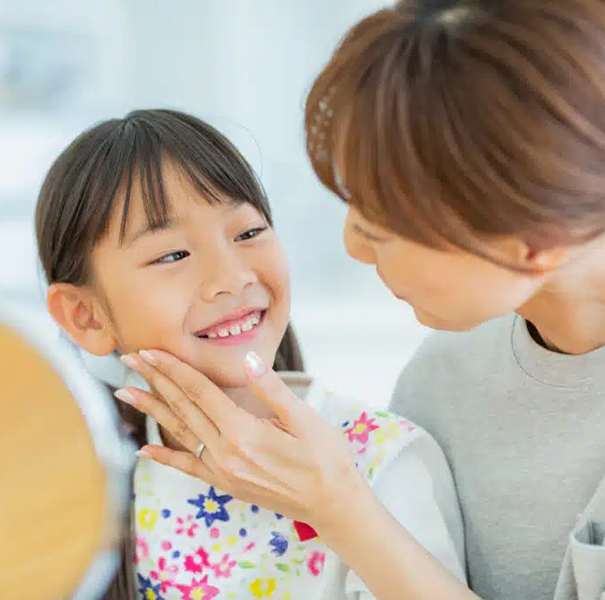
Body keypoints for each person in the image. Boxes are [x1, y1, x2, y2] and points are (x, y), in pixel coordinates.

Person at [117, 2, 605, 600]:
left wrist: (341, 511)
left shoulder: (388, 446)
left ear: (537, 241)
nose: (353, 246)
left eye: (382, 226)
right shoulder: (445, 377)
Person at [34, 108, 466, 599]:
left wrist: (342, 510)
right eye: (173, 255)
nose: (233, 277)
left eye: (247, 233)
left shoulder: (383, 460)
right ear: (86, 317)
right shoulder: (81, 487)